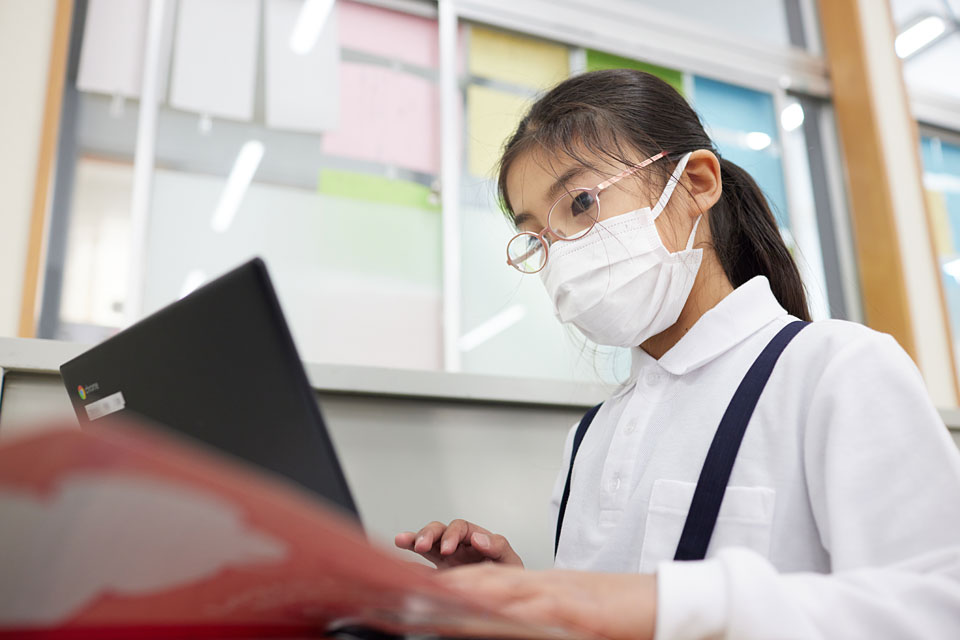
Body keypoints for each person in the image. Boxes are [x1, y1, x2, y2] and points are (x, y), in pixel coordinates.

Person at [395, 69, 960, 639]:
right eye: (538, 236)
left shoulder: (837, 370)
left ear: (696, 182)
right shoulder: (590, 437)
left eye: (581, 203)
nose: (561, 254)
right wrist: (526, 602)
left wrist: (673, 604)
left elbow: (938, 608)